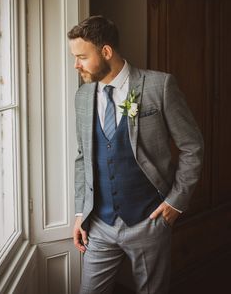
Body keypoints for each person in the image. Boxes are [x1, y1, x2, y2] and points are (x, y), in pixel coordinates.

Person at [68, 15, 204, 294]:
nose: (76, 64)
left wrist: (176, 203)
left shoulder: (159, 86)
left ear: (105, 52)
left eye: (81, 56)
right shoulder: (82, 96)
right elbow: (83, 156)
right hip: (99, 224)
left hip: (149, 221)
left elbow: (193, 147)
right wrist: (81, 211)